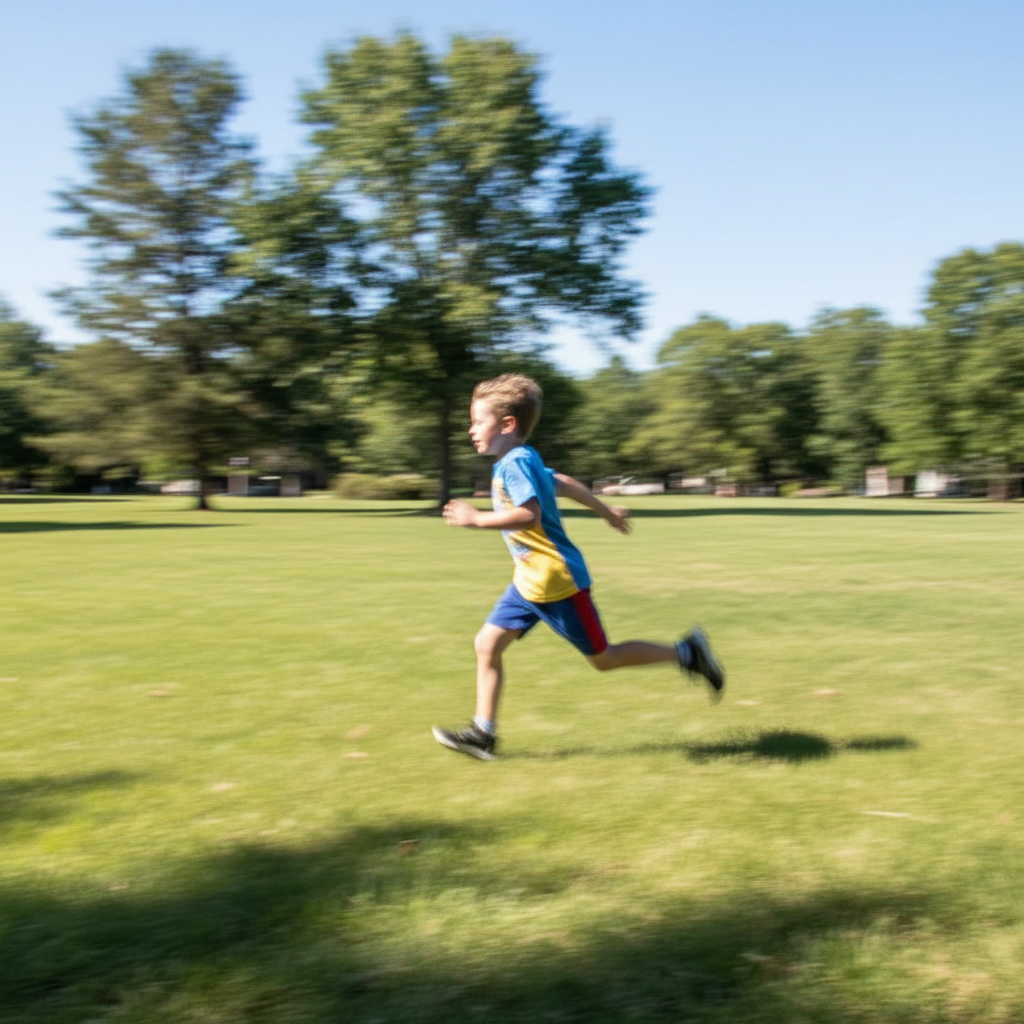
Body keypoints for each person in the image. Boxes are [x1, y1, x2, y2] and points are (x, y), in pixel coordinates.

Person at [432, 372, 724, 761]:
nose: (470, 430)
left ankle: (688, 653)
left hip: (557, 582)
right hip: (529, 579)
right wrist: (606, 512)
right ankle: (483, 734)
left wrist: (476, 519)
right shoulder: (523, 458)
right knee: (486, 644)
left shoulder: (515, 463)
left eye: (477, 421)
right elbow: (564, 483)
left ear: (507, 424)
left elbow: (529, 514)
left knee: (604, 659)